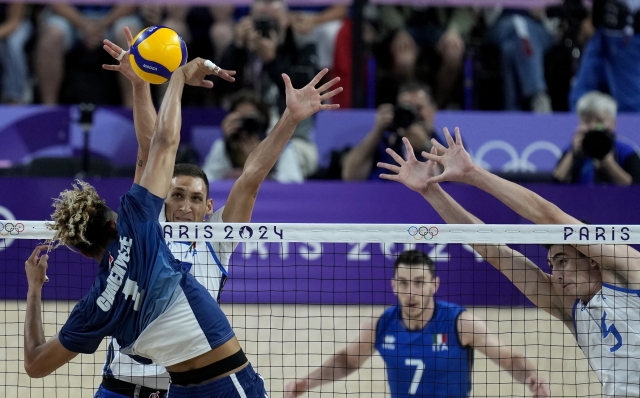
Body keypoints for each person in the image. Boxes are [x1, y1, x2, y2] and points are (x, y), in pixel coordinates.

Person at [23, 49, 341, 396]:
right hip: (123, 385)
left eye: (194, 198)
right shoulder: (145, 229)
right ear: (163, 199)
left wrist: (290, 119)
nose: (186, 206)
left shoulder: (216, 236)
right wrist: (142, 83)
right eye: (176, 195)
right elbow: (152, 146)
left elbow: (250, 176)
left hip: (184, 385)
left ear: (209, 207)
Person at [379, 127, 640, 397]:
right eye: (553, 265)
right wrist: (430, 191)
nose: (557, 274)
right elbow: (494, 251)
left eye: (563, 261)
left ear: (593, 259)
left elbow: (546, 214)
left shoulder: (630, 270)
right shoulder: (570, 307)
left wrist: (472, 174)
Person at [284, 250, 550, 398]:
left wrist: (531, 377)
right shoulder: (381, 324)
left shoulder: (460, 322)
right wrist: (306, 383)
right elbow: (347, 361)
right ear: (393, 286)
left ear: (434, 285)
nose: (411, 292)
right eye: (403, 283)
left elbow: (508, 358)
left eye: (420, 283)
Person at [217, 0, 320, 178]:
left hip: (293, 140)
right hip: (246, 135)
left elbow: (304, 91)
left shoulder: (303, 48)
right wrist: (237, 47)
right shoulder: (242, 51)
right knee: (219, 149)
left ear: (287, 20)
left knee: (290, 155)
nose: (267, 26)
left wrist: (272, 60)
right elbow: (219, 90)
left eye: (273, 19)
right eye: (261, 20)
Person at [35, 4, 142, 106]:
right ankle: (48, 108)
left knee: (130, 37)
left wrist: (101, 25)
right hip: (70, 17)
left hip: (115, 17)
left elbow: (129, 4)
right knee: (51, 36)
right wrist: (84, 25)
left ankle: (132, 110)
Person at [342, 81, 443, 181]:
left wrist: (426, 146)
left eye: (419, 108)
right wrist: (377, 130)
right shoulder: (384, 141)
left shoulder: (445, 143)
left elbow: (456, 178)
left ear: (433, 109)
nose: (414, 114)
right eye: (407, 108)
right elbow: (350, 176)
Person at [201, 90, 303, 183]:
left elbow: (294, 184)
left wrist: (257, 168)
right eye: (241, 119)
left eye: (251, 119)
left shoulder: (281, 148)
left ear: (264, 121)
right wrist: (228, 144)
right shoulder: (222, 146)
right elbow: (207, 182)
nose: (247, 124)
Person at [553, 91, 640, 185]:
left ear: (614, 123)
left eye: (600, 122)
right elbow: (555, 183)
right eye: (587, 121)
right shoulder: (573, 149)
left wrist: (610, 165)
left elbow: (635, 189)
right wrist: (572, 154)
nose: (593, 127)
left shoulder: (626, 151)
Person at [569, 0, 640, 112]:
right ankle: (581, 129)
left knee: (629, 104)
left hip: (628, 34)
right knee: (579, 97)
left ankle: (633, 129)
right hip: (601, 29)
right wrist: (591, 16)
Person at [485, 8, 555, 112]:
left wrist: (543, 8)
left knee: (509, 49)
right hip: (501, 25)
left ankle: (512, 110)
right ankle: (538, 95)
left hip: (538, 28)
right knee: (517, 24)